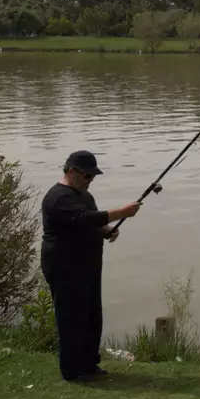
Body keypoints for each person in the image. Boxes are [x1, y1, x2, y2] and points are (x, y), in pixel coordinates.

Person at [40, 150, 142, 382]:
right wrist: (123, 212)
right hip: (64, 267)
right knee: (71, 319)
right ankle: (72, 371)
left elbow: (91, 222)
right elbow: (84, 218)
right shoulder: (58, 197)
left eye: (93, 176)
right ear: (71, 171)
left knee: (92, 316)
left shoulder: (83, 194)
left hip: (88, 266)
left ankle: (89, 364)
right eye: (87, 176)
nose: (90, 180)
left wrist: (106, 231)